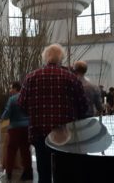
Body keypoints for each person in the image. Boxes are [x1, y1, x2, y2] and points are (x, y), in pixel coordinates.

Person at [18, 43, 87, 183]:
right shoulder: (71, 78)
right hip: (65, 135)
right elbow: (83, 105)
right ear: (61, 58)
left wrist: (35, 114)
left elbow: (21, 104)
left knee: (43, 173)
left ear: (45, 58)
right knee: (64, 173)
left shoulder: (31, 77)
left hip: (39, 132)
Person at [1, 81, 33, 181]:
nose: (11, 91)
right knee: (25, 150)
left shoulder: (12, 99)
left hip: (15, 128)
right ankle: (28, 172)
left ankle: (9, 173)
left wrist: (2, 117)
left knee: (11, 150)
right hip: (27, 127)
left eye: (12, 88)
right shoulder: (28, 98)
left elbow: (6, 115)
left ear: (16, 89)